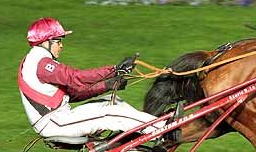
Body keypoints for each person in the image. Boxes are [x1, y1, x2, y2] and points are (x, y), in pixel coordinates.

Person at [18, 17, 164, 139]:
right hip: (55, 123)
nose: (61, 46)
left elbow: (75, 93)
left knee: (113, 102)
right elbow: (77, 78)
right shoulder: (41, 63)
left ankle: (139, 132)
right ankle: (162, 129)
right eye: (58, 41)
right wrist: (114, 70)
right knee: (111, 113)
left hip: (60, 118)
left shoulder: (38, 60)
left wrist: (108, 85)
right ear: (45, 41)